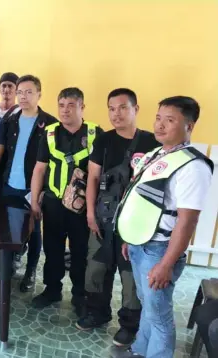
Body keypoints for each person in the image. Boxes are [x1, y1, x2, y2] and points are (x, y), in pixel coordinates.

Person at [112, 96, 214, 358]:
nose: (160, 125)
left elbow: (187, 220)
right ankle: (139, 351)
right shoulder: (158, 154)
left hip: (159, 250)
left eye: (170, 120)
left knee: (159, 317)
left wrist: (166, 264)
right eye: (158, 118)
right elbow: (141, 201)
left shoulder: (193, 166)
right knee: (148, 307)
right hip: (140, 245)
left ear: (189, 126)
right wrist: (130, 237)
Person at [76, 89, 160, 347]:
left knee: (130, 275)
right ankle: (97, 313)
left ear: (136, 109)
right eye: (111, 108)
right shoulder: (103, 141)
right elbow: (91, 178)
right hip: (103, 217)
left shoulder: (151, 142)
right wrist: (90, 213)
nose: (116, 114)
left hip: (135, 223)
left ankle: (129, 325)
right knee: (97, 268)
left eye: (122, 107)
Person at [30, 87, 103, 311]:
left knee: (81, 252)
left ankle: (79, 295)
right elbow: (39, 169)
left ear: (82, 107)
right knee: (52, 250)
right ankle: (52, 289)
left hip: (81, 207)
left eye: (71, 105)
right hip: (53, 203)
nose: (65, 110)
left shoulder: (94, 133)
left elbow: (98, 173)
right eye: (61, 105)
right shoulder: (50, 133)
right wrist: (34, 201)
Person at [1, 75, 57, 292]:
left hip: (32, 188)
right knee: (8, 229)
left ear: (39, 94)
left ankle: (31, 270)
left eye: (29, 92)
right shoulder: (10, 120)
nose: (23, 97)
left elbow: (51, 163)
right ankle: (12, 264)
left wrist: (42, 190)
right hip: (9, 185)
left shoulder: (50, 124)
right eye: (20, 92)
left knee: (33, 230)